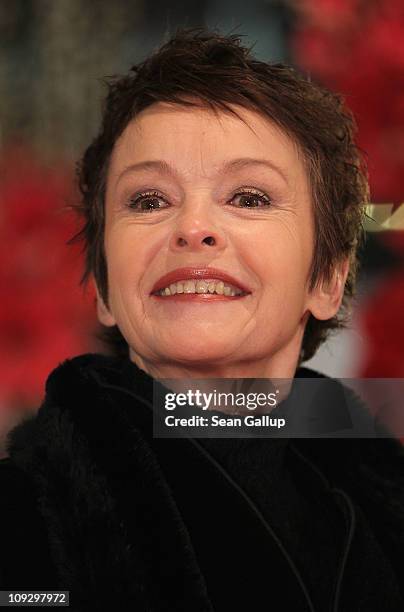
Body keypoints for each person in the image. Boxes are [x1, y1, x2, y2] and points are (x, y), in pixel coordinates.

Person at [1, 28, 403, 611]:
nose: (192, 227)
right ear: (106, 288)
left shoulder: (378, 509)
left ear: (327, 280)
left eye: (249, 197)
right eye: (148, 200)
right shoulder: (18, 526)